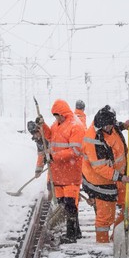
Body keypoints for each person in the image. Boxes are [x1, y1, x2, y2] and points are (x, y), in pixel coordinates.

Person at [81, 105, 129, 243]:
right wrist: (120, 177)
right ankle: (102, 244)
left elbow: (115, 127)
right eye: (107, 126)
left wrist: (124, 126)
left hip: (118, 176)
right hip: (100, 181)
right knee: (105, 217)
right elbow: (100, 168)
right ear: (100, 125)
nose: (110, 128)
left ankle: (117, 235)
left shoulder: (110, 126)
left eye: (111, 125)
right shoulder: (93, 140)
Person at [38, 99, 85, 243]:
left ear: (64, 113)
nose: (57, 118)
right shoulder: (57, 124)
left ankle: (71, 235)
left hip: (70, 173)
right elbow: (50, 136)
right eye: (55, 116)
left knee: (70, 204)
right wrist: (42, 125)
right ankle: (76, 231)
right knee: (63, 204)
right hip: (58, 174)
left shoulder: (75, 126)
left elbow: (76, 150)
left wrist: (54, 156)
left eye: (58, 115)